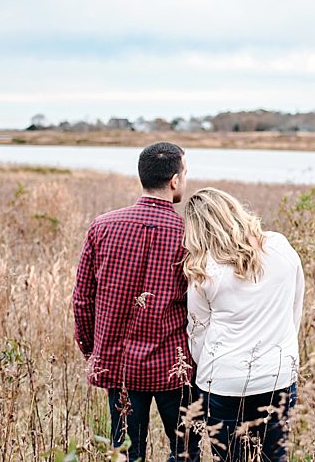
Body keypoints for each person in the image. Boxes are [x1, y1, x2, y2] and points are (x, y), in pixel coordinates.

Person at [72, 142, 200, 461]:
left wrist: (95, 352)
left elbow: (82, 300)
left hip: (119, 366)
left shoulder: (102, 226)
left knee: (128, 453)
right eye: (185, 173)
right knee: (186, 452)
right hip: (174, 367)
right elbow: (202, 307)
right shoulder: (190, 235)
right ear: (174, 181)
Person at [182, 187, 304, 462]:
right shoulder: (280, 247)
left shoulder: (203, 270)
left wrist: (213, 368)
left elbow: (197, 333)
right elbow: (295, 307)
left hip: (223, 382)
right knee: (275, 457)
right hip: (277, 374)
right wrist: (281, 350)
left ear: (198, 230)